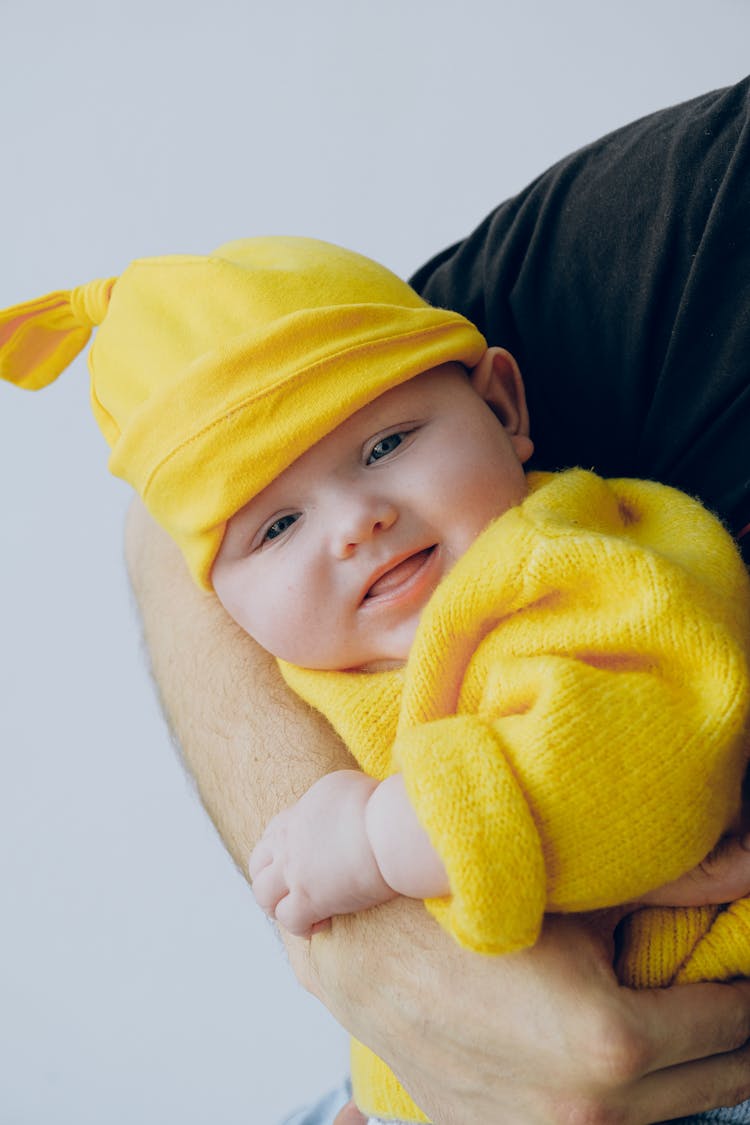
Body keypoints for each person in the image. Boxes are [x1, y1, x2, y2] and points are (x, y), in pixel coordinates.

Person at [2, 233, 750, 1125]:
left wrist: (377, 831)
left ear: (504, 406)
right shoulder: (320, 664)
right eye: (276, 527)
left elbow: (654, 751)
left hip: (685, 1071)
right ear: (220, 603)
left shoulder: (569, 562)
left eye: (385, 442)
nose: (357, 523)